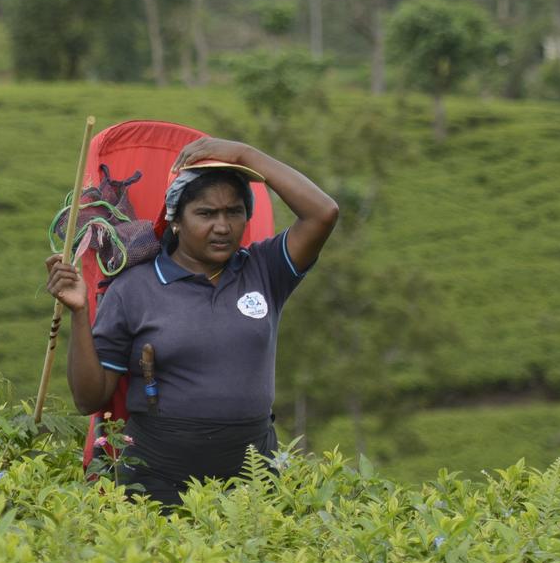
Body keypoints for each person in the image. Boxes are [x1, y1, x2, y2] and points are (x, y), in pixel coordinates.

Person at [43, 134, 340, 506]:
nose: (223, 226)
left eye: (234, 212)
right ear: (175, 221)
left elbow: (323, 213)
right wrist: (81, 314)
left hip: (252, 477)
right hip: (156, 480)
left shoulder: (264, 270)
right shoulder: (135, 288)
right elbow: (90, 398)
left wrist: (244, 154)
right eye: (206, 213)